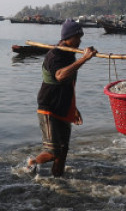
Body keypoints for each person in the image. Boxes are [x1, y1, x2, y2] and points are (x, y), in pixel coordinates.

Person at [28, 19, 97, 176]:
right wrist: (84, 59)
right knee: (53, 151)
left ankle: (58, 179)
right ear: (67, 37)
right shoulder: (55, 55)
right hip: (49, 106)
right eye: (77, 37)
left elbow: (69, 83)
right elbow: (60, 76)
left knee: (63, 150)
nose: (79, 41)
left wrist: (74, 107)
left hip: (64, 106)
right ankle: (33, 163)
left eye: (80, 37)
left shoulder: (69, 55)